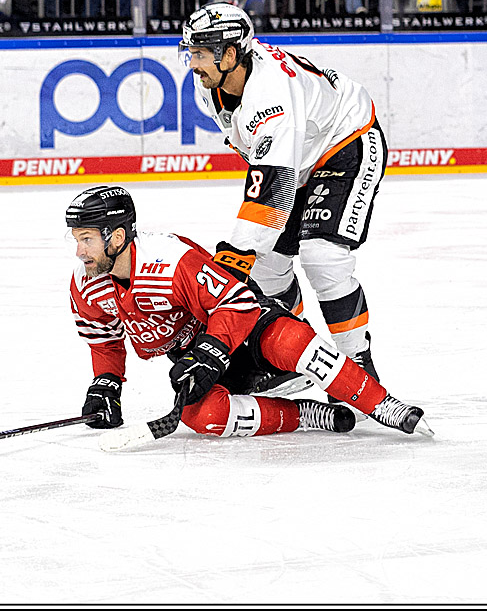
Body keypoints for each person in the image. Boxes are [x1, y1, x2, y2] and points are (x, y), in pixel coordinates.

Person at [67, 185, 429, 440]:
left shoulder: (170, 259)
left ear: (115, 237)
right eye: (77, 239)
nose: (80, 251)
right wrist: (107, 384)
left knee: (290, 340)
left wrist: (210, 351)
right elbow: (104, 339)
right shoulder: (87, 284)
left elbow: (237, 303)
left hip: (240, 327)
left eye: (87, 239)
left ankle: (384, 405)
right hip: (199, 354)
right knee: (202, 417)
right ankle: (305, 414)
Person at [179, 2, 391, 403]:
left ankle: (356, 364)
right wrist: (241, 263)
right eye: (190, 52)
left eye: (201, 53)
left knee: (321, 256)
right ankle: (294, 359)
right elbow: (269, 175)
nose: (193, 63)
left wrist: (228, 267)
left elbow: (270, 194)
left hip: (346, 141)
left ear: (231, 54)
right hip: (297, 154)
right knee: (268, 267)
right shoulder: (209, 84)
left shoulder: (270, 93)